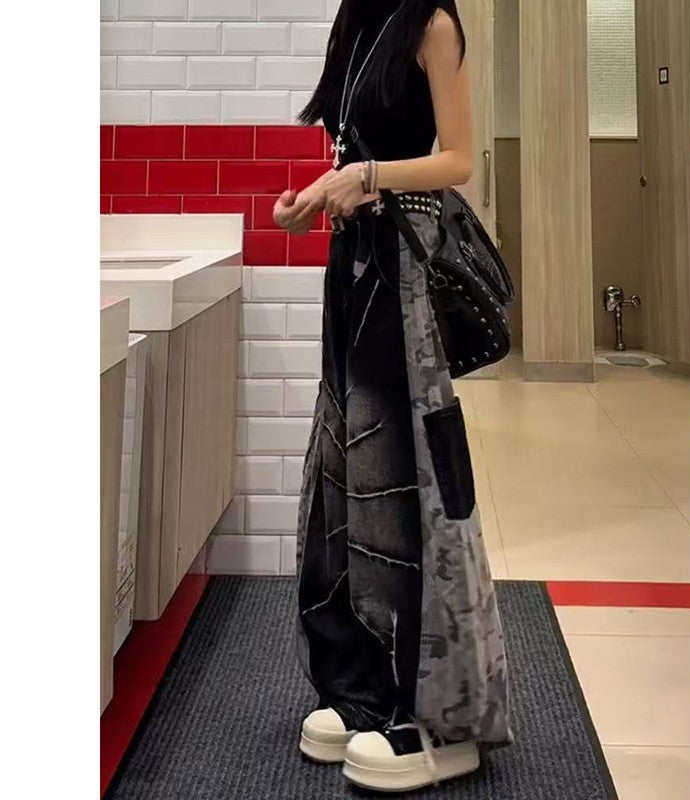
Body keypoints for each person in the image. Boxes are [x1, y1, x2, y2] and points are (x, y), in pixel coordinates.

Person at [273, 0, 512, 792]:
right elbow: (355, 152)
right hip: (355, 265)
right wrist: (318, 195)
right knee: (344, 467)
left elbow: (458, 160)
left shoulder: (430, 23)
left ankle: (435, 717)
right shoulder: (357, 20)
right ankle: (363, 688)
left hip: (404, 270)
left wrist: (365, 178)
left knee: (406, 475)